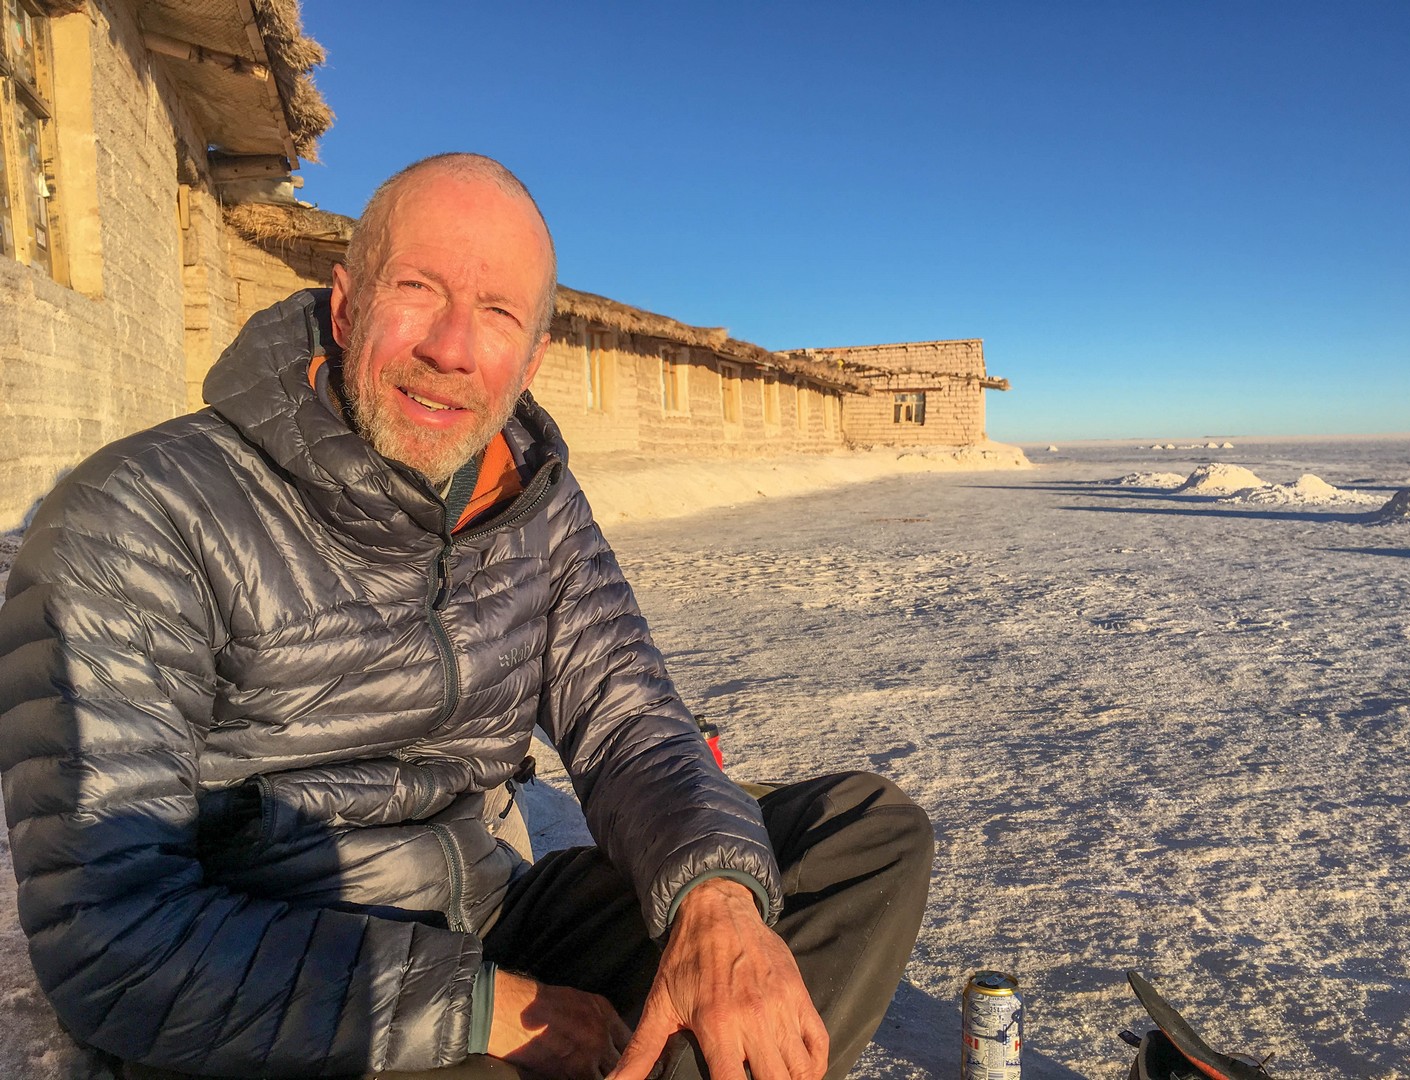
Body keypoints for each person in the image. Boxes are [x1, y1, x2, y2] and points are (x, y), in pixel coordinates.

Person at [0, 154, 932, 1080]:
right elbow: (111, 934)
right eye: (419, 290)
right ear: (346, 306)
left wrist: (715, 904)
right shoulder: (139, 516)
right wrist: (482, 1010)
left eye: (497, 314)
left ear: (533, 359)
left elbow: (633, 723)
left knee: (859, 837)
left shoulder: (531, 502)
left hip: (489, 916)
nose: (451, 349)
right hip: (283, 981)